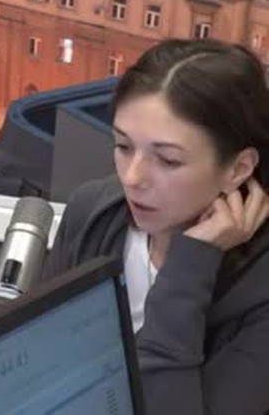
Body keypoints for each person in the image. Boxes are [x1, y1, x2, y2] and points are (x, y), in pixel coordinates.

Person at [44, 38, 269, 413]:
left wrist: (190, 266)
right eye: (123, 146)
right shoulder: (93, 216)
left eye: (167, 160)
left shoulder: (259, 290)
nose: (132, 178)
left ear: (238, 169)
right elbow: (38, 366)